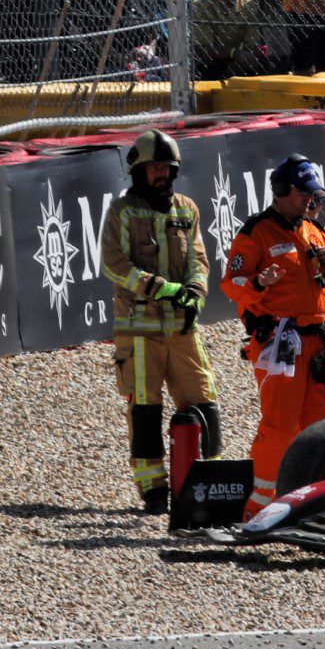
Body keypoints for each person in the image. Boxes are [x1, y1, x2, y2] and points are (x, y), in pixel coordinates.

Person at [221, 154, 325, 520]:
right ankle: (257, 510)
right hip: (279, 343)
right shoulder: (256, 232)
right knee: (280, 427)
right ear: (282, 191)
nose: (311, 201)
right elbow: (232, 284)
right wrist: (261, 282)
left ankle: (320, 503)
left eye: (313, 195)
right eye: (304, 194)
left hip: (319, 342)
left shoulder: (314, 230)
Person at [99, 130, 219, 515]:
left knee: (204, 402)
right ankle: (153, 490)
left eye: (166, 167)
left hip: (183, 331)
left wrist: (195, 295)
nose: (160, 173)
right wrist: (163, 289)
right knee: (145, 411)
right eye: (153, 167)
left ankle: (206, 480)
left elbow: (198, 262)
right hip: (138, 334)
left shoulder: (187, 209)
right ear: (137, 171)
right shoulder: (121, 211)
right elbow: (114, 265)